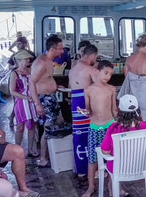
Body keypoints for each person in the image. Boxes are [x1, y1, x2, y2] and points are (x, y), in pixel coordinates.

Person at [77, 60, 117, 197]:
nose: (108, 76)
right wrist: (85, 112)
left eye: (110, 74)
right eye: (105, 73)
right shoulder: (88, 90)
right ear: (97, 72)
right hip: (94, 127)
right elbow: (88, 110)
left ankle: (111, 185)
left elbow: (114, 109)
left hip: (110, 126)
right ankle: (91, 186)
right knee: (92, 159)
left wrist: (118, 125)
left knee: (113, 157)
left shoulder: (111, 89)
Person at [100, 94, 146, 197]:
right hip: (143, 166)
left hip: (120, 169)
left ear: (120, 111)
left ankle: (115, 189)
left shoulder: (113, 128)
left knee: (113, 160)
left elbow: (105, 151)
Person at [30, 34, 65, 167]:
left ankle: (54, 152)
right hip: (43, 99)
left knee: (60, 121)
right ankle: (43, 158)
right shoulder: (41, 62)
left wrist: (55, 87)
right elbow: (32, 83)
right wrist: (38, 104)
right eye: (60, 48)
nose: (62, 51)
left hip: (51, 97)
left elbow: (46, 78)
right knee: (48, 128)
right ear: (52, 49)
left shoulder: (49, 61)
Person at [68, 44, 99, 178]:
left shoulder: (73, 69)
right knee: (92, 134)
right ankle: (93, 169)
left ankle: (80, 169)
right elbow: (100, 88)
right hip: (86, 103)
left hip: (76, 103)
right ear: (92, 56)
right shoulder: (90, 69)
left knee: (79, 134)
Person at [9, 50, 38, 157]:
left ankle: (30, 149)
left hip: (31, 101)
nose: (28, 61)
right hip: (21, 101)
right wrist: (25, 97)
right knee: (20, 126)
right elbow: (12, 91)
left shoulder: (30, 71)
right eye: (26, 59)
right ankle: (17, 148)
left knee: (31, 126)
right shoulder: (14, 73)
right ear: (20, 61)